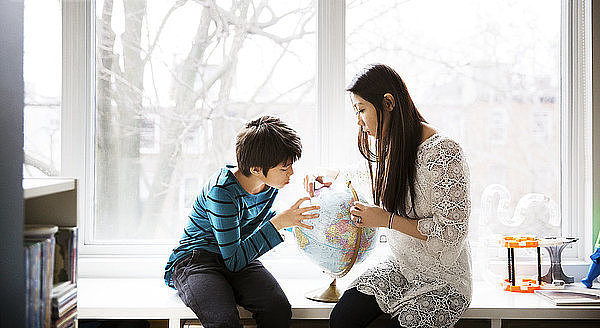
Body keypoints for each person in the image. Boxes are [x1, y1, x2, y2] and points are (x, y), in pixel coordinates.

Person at [306, 64, 472, 328]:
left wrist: (387, 220)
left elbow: (452, 232)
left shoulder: (444, 152)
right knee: (342, 318)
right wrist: (332, 173)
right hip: (402, 267)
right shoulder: (393, 147)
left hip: (444, 280)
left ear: (388, 103)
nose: (359, 121)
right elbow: (364, 174)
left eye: (361, 109)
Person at [164, 115, 320, 328]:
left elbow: (254, 228)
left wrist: (309, 201)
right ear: (256, 168)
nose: (291, 172)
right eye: (285, 168)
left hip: (238, 255)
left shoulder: (268, 184)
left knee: (278, 309)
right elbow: (235, 260)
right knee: (224, 321)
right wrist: (278, 223)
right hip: (197, 260)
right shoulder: (221, 192)